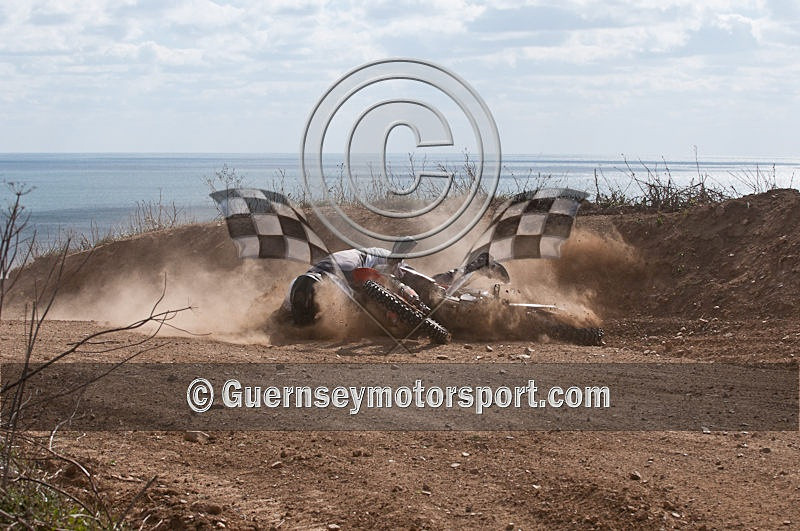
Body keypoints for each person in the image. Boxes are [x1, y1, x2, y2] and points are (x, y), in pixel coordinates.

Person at [283, 247, 509, 326]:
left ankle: (477, 266)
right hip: (359, 277)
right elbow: (279, 315)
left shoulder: (343, 272)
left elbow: (376, 278)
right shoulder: (294, 290)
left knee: (433, 291)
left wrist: (393, 297)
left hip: (379, 262)